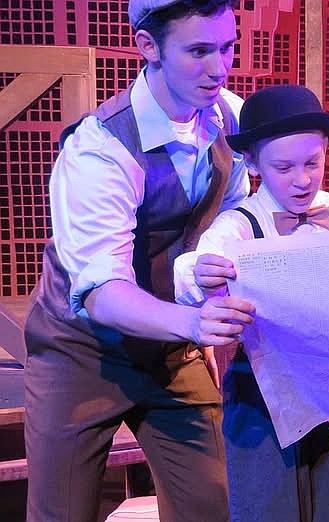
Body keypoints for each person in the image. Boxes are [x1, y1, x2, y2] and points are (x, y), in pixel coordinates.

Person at [22, 1, 252, 520]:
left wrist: (213, 263)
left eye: (227, 47)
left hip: (171, 350)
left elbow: (234, 208)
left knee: (216, 505)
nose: (219, 67)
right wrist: (194, 323)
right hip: (82, 351)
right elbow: (102, 294)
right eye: (199, 51)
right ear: (149, 47)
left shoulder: (227, 117)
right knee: (61, 513)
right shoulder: (100, 147)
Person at [173, 84, 329, 522]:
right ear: (252, 163)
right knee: (267, 508)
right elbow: (191, 273)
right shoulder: (239, 225)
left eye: (312, 163)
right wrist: (201, 273)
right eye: (284, 167)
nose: (302, 180)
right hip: (262, 400)